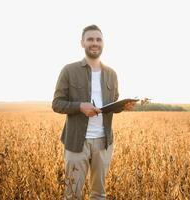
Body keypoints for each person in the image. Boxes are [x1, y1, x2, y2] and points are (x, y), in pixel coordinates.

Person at [52, 25, 135, 200]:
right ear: (82, 43)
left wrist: (122, 106)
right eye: (90, 39)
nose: (94, 43)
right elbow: (57, 104)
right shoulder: (69, 70)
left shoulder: (112, 74)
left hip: (104, 143)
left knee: (99, 194)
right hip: (76, 143)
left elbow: (112, 105)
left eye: (98, 39)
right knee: (72, 195)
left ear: (103, 43)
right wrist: (80, 106)